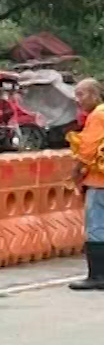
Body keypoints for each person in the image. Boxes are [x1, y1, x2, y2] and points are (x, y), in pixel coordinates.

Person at [68, 78, 104, 290]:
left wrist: (75, 172)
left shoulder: (98, 115)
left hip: (99, 182)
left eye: (81, 94)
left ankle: (97, 276)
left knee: (96, 228)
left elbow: (88, 148)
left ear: (94, 94)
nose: (78, 100)